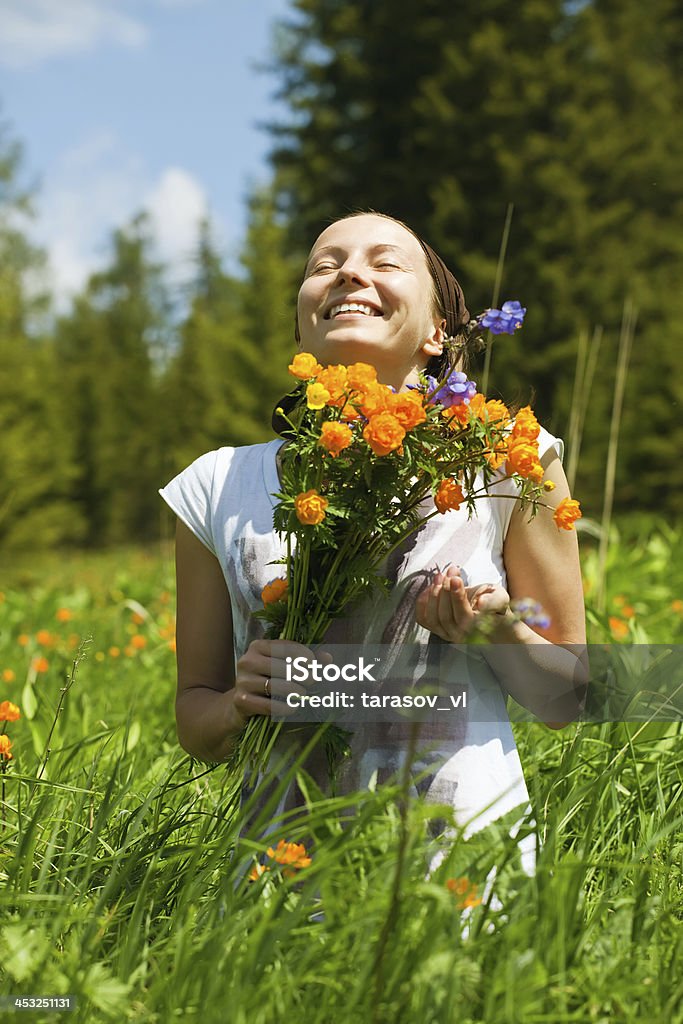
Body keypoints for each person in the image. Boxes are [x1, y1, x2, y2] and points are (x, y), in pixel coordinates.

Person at [159, 211, 587, 876]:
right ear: (304, 322)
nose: (348, 272)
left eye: (384, 262)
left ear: (437, 332)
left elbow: (569, 698)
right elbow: (195, 717)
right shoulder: (213, 485)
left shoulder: (514, 460)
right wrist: (232, 706)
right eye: (323, 265)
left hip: (458, 878)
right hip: (277, 883)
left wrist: (498, 631)